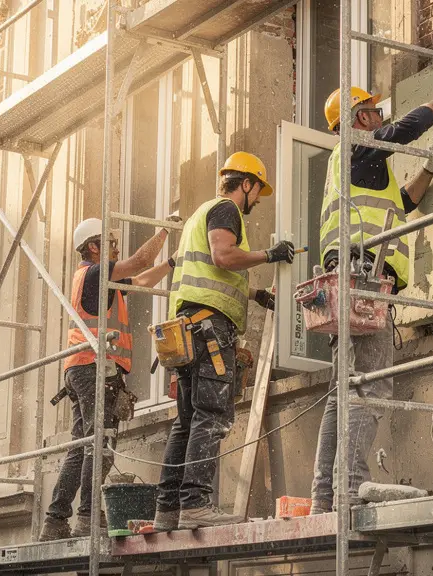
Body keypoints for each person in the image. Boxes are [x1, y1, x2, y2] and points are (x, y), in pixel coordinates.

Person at [310, 82, 433, 513]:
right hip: (364, 280)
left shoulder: (351, 163)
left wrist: (429, 170)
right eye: (373, 111)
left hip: (347, 280)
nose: (380, 117)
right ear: (360, 117)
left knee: (343, 390)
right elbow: (406, 129)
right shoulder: (358, 144)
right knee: (370, 386)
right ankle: (347, 491)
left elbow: (400, 204)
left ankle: (324, 495)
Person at [152, 152, 295, 530]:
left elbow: (210, 274)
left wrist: (256, 295)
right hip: (210, 330)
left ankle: (168, 509)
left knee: (187, 421)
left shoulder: (199, 216)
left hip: (189, 329)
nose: (258, 199)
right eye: (257, 190)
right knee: (212, 414)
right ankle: (195, 504)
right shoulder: (226, 210)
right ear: (245, 184)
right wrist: (269, 254)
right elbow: (223, 256)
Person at [39, 217, 179, 541]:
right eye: (110, 243)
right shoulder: (95, 273)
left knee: (82, 445)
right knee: (99, 443)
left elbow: (142, 279)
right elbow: (141, 261)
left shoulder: (96, 280)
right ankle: (88, 517)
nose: (116, 249)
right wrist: (165, 230)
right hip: (94, 367)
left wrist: (172, 262)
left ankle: (56, 519)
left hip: (81, 367)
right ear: (93, 247)